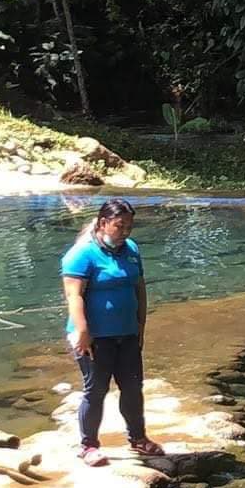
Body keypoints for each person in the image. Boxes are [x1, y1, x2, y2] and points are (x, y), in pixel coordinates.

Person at [61, 198, 163, 466]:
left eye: (129, 226)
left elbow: (139, 287)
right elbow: (74, 296)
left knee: (132, 387)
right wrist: (83, 332)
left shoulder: (130, 249)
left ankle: (138, 439)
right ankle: (88, 446)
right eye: (120, 226)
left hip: (126, 333)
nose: (126, 231)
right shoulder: (82, 254)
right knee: (95, 390)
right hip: (95, 338)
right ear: (103, 223)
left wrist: (140, 325)